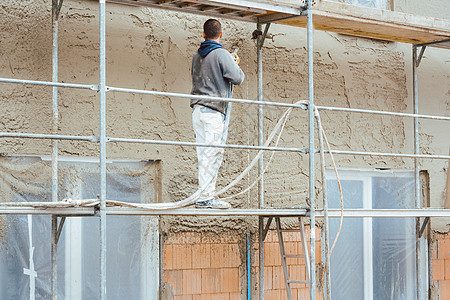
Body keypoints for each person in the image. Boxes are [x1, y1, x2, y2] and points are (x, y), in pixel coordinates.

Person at [191, 19, 245, 209]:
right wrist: (233, 63)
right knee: (212, 154)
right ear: (220, 34)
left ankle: (203, 195)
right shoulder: (221, 54)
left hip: (197, 110)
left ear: (204, 34)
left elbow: (207, 75)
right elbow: (237, 78)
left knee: (203, 154)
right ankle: (206, 197)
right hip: (213, 111)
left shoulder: (196, 56)